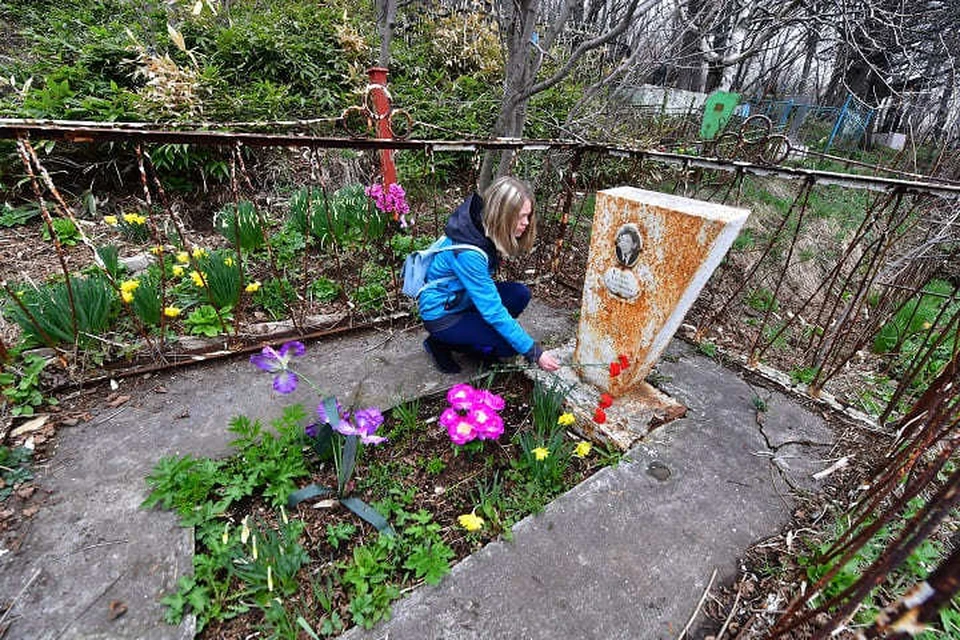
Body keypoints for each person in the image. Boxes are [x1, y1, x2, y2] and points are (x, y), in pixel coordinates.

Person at [418, 176, 560, 374]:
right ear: (501, 214)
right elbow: (493, 310)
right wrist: (534, 352)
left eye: (528, 216)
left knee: (519, 294)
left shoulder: (480, 224)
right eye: (520, 217)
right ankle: (439, 343)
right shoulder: (469, 253)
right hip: (442, 314)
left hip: (460, 298)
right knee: (509, 347)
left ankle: (475, 336)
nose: (526, 223)